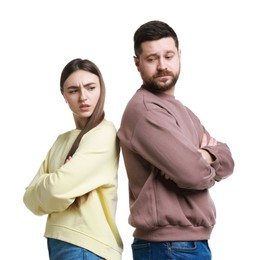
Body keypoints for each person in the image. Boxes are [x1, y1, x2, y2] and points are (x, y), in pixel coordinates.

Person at [117, 20, 234, 260]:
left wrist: (206, 154)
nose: (162, 66)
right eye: (151, 59)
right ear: (137, 62)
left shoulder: (183, 111)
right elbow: (193, 174)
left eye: (168, 56)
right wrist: (197, 159)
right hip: (168, 246)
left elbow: (228, 160)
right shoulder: (146, 111)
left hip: (186, 245)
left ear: (179, 56)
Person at [23, 58, 123, 260]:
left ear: (101, 90)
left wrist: (51, 183)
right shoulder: (61, 141)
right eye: (73, 90)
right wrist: (58, 182)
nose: (83, 97)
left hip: (87, 245)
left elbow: (56, 190)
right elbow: (29, 199)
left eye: (90, 87)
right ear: (64, 96)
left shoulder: (104, 133)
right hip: (59, 242)